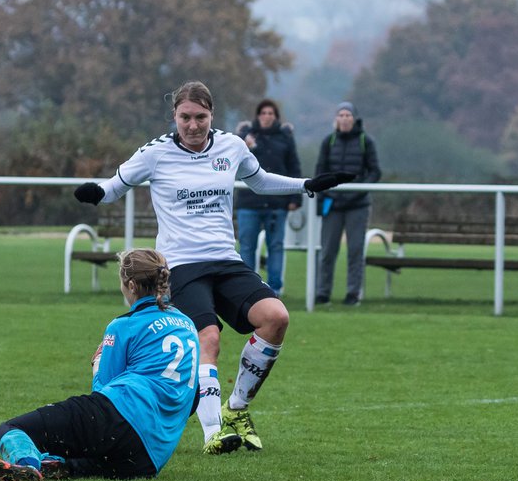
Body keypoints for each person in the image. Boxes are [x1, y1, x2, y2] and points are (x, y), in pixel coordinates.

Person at [73, 81, 352, 455]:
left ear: (212, 116)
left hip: (226, 259)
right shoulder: (154, 153)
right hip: (182, 265)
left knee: (276, 317)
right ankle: (212, 434)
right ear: (174, 117)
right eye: (185, 117)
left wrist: (308, 185)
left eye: (200, 117)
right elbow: (113, 188)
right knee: (209, 339)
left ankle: (236, 409)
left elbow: (260, 181)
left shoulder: (232, 146)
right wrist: (94, 193)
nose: (193, 125)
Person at [0, 249, 199, 481]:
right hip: (148, 459)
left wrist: (97, 363)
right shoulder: (188, 325)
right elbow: (193, 399)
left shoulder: (122, 325)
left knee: (9, 429)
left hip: (119, 418)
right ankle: (55, 466)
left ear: (131, 285)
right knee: (80, 461)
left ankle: (26, 464)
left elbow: (102, 389)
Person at [314, 101, 382, 306]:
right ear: (336, 119)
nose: (344, 119)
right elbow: (320, 171)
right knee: (327, 251)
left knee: (355, 250)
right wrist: (324, 195)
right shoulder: (329, 141)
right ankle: (322, 293)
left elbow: (375, 171)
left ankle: (353, 294)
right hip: (332, 204)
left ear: (354, 118)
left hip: (357, 205)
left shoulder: (365, 141)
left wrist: (358, 190)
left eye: (348, 115)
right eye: (341, 115)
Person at [234, 99, 302, 297]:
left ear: (276, 117)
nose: (267, 116)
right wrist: (246, 146)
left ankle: (275, 290)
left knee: (276, 246)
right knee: (246, 246)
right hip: (249, 201)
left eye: (270, 113)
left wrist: (295, 198)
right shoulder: (243, 137)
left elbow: (293, 167)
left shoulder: (285, 138)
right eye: (263, 113)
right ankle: (246, 288)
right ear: (258, 115)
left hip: (276, 202)